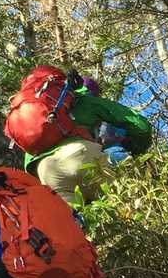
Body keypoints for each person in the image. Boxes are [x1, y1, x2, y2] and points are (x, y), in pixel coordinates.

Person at [24, 77, 152, 206]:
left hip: (46, 171)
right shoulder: (86, 100)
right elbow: (142, 125)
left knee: (75, 218)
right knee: (129, 198)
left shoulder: (35, 118)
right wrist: (136, 147)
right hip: (79, 154)